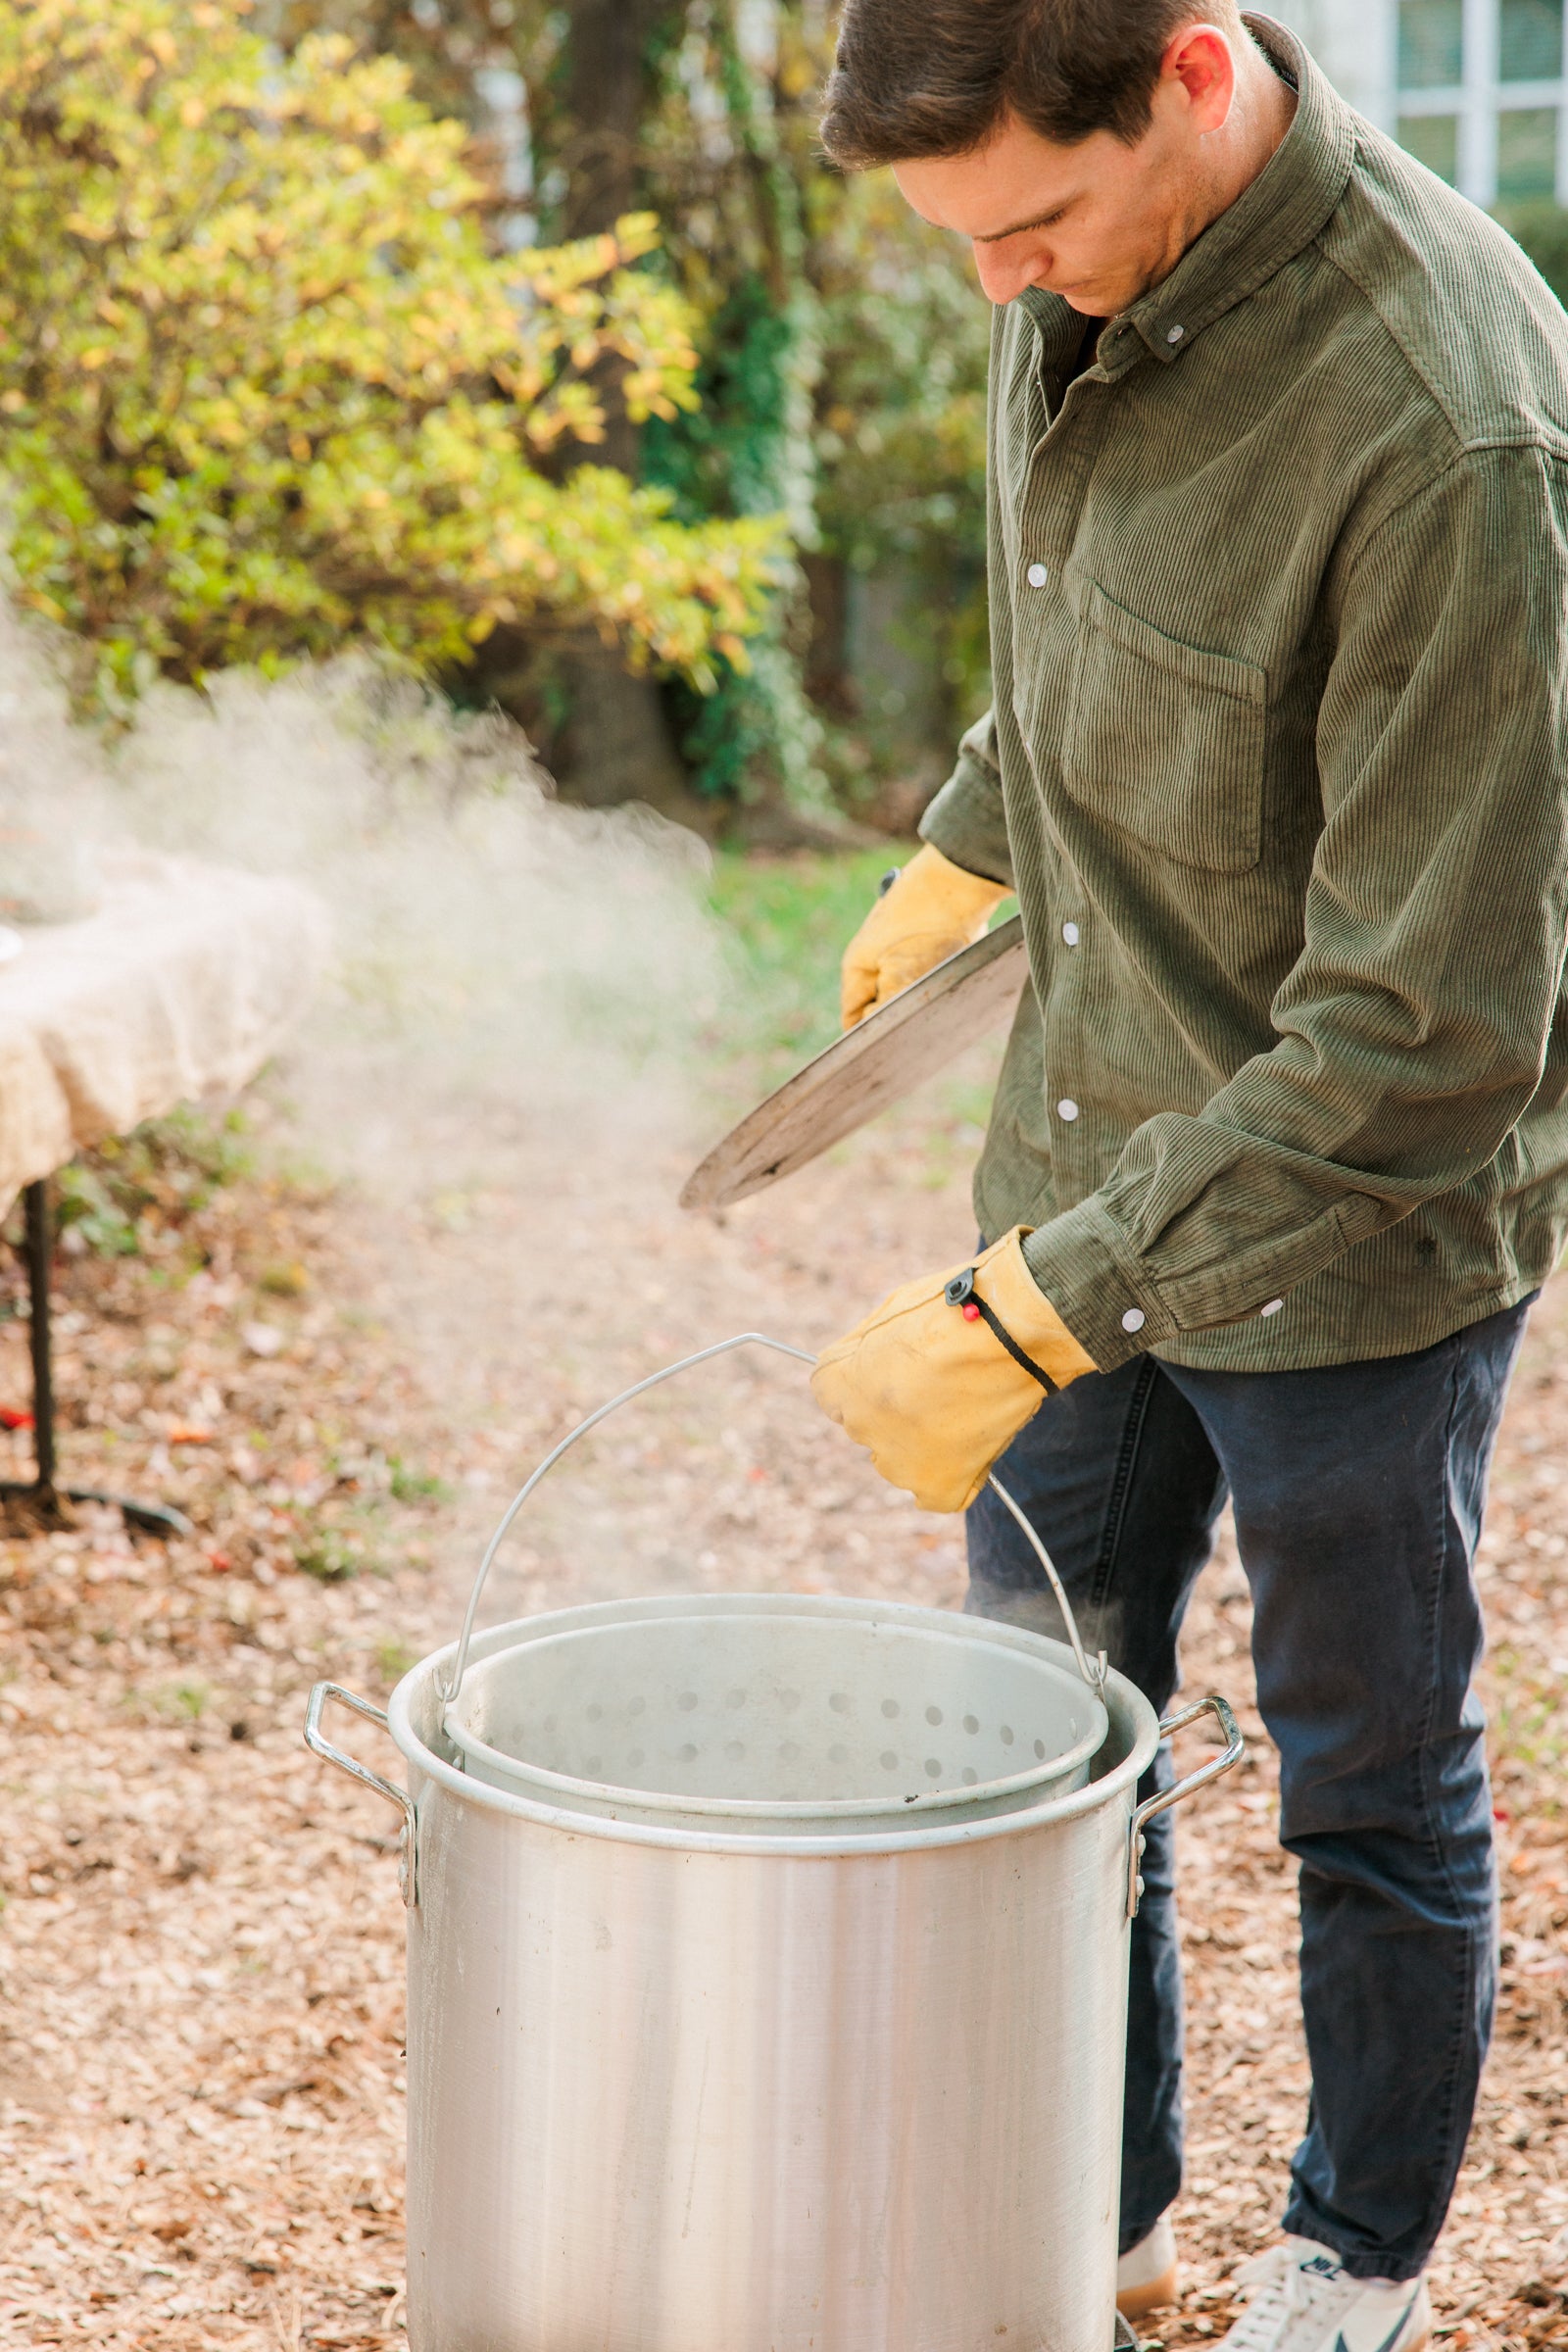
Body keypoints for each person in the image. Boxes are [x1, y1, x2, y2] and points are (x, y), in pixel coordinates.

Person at [809, 8, 1568, 2352]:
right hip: (1083, 1143)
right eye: (960, 243)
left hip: (1349, 1233)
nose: (999, 287)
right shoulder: (1079, 278)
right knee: (1048, 1719)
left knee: (1360, 1768)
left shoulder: (1449, 429)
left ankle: (1349, 2264)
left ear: (1189, 69)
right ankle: (1093, 2188)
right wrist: (961, 849)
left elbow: (1418, 1039)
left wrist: (1035, 1306)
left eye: (1025, 223)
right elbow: (1069, 638)